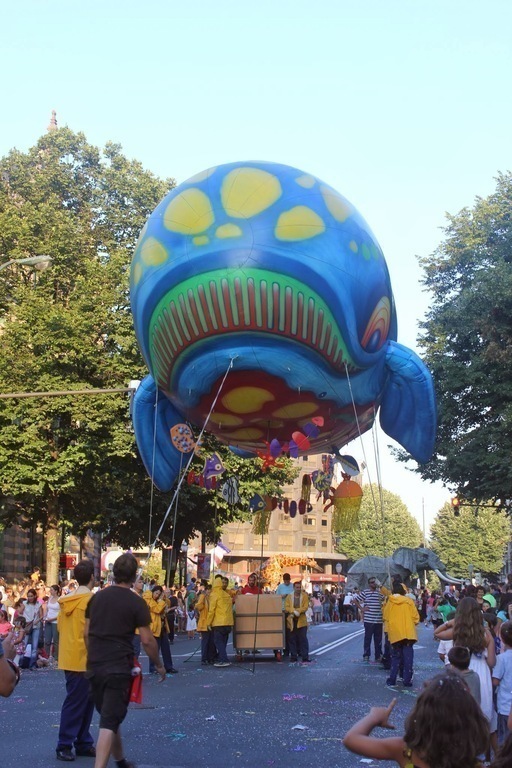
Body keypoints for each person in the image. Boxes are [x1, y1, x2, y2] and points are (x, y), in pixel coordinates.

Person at [85, 552, 166, 768]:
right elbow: (147, 640)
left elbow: (86, 632)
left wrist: (91, 654)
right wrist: (158, 664)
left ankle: (120, 760)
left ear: (113, 573)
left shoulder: (97, 598)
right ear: (134, 576)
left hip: (94, 664)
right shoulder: (136, 602)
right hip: (118, 666)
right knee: (109, 720)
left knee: (109, 717)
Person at [343, 671, 489, 767]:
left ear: (422, 715)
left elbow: (351, 739)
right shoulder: (474, 763)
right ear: (471, 718)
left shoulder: (406, 751)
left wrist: (374, 716)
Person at [56, 558, 96, 762]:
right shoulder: (91, 601)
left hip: (70, 656)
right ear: (92, 577)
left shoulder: (68, 600)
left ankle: (82, 741)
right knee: (77, 703)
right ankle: (65, 744)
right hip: (85, 657)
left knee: (83, 702)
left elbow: (60, 628)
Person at [382, 581, 419, 687]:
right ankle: (407, 680)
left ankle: (392, 679)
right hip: (408, 633)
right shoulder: (409, 601)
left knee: (395, 657)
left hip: (395, 633)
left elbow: (385, 616)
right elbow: (416, 618)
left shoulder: (390, 601)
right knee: (408, 658)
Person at [206, 574, 234, 667]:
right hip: (228, 622)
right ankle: (222, 657)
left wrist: (208, 623)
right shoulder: (226, 595)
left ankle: (223, 659)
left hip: (219, 622)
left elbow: (211, 610)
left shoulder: (214, 594)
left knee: (218, 642)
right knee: (224, 642)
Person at [492, 620, 512, 746]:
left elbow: (495, 680)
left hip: (505, 705)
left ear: (502, 639)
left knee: (504, 739)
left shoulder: (502, 658)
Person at [284, 581, 310, 663]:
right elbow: (286, 607)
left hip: (301, 620)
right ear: (294, 588)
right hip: (291, 620)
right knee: (292, 639)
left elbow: (305, 607)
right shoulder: (289, 596)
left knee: (303, 639)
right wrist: (293, 611)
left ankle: (305, 656)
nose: (298, 589)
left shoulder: (304, 596)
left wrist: (298, 611)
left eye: (299, 587)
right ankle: (293, 656)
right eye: (297, 587)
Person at [360, 577, 385, 662]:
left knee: (378, 639)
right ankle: (366, 655)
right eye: (371, 582)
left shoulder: (380, 593)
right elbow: (355, 600)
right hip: (368, 620)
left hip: (378, 620)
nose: (373, 584)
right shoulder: (365, 592)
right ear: (369, 584)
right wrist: (362, 609)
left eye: (374, 582)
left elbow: (386, 600)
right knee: (368, 638)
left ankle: (378, 655)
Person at [196, 583, 216, 664]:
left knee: (211, 641)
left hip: (211, 623)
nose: (210, 592)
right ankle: (204, 658)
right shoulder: (203, 597)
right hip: (205, 622)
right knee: (205, 641)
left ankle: (210, 657)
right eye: (209, 590)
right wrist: (202, 597)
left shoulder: (210, 599)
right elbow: (199, 607)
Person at [23, 587, 42, 669]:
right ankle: (22, 663)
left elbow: (42, 616)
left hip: (36, 626)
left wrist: (37, 621)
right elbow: (18, 613)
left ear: (35, 596)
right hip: (27, 626)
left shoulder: (38, 604)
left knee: (34, 646)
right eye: (28, 596)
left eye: (31, 596)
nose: (30, 598)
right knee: (24, 645)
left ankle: (32, 664)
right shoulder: (24, 603)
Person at [44, 583, 61, 660]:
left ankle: (56, 656)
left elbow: (61, 613)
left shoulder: (60, 600)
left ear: (56, 591)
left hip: (55, 622)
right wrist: (45, 617)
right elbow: (47, 608)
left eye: (51, 590)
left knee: (56, 640)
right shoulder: (50, 598)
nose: (50, 591)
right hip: (48, 620)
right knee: (47, 639)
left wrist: (53, 618)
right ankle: (46, 655)